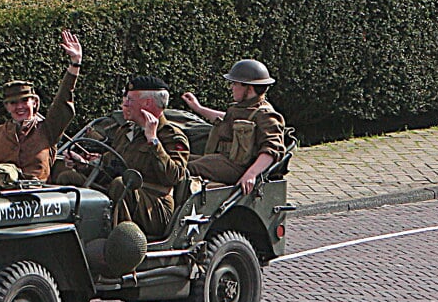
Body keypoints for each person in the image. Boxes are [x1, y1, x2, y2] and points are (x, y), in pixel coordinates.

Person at [55, 75, 192, 237]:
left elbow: (174, 177)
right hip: (120, 193)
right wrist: (84, 164)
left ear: (147, 103)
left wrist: (153, 141)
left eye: (130, 100)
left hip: (155, 206)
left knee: (121, 184)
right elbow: (110, 166)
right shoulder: (126, 131)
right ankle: (71, 238)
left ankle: (122, 243)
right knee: (68, 179)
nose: (125, 104)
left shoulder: (171, 136)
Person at [0, 29, 83, 182]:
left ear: (34, 103)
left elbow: (62, 103)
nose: (19, 107)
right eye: (13, 103)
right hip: (4, 197)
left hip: (39, 196)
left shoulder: (47, 130)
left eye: (24, 101)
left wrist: (75, 64)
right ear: (7, 107)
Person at [177, 60, 289, 196]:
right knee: (178, 158)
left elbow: (272, 150)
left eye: (235, 84)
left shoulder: (265, 115)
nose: (232, 87)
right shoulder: (242, 108)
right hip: (224, 160)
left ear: (249, 88)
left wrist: (251, 174)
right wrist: (198, 108)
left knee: (186, 167)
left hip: (239, 168)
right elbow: (225, 119)